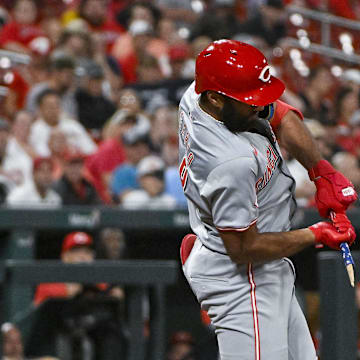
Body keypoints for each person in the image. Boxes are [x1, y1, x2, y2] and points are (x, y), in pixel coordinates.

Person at [178, 39, 357, 360]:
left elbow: (282, 114)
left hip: (260, 263)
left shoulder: (199, 94)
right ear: (217, 100)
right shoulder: (229, 162)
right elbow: (243, 249)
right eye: (249, 101)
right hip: (242, 279)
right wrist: (315, 234)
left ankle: (204, 250)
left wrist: (322, 172)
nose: (259, 106)